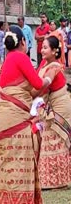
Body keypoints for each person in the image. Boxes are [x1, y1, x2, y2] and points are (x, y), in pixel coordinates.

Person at [0, 25, 60, 204]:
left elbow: (28, 92)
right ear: (23, 42)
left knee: (8, 161)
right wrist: (51, 75)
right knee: (18, 162)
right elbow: (38, 84)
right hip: (16, 118)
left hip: (6, 117)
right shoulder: (20, 58)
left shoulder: (7, 61)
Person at [36, 36, 71, 189]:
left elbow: (45, 82)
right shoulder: (44, 64)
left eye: (45, 47)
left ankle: (60, 181)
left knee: (58, 139)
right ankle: (50, 180)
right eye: (42, 47)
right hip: (50, 104)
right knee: (48, 138)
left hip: (61, 106)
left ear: (55, 50)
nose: (42, 50)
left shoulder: (55, 66)